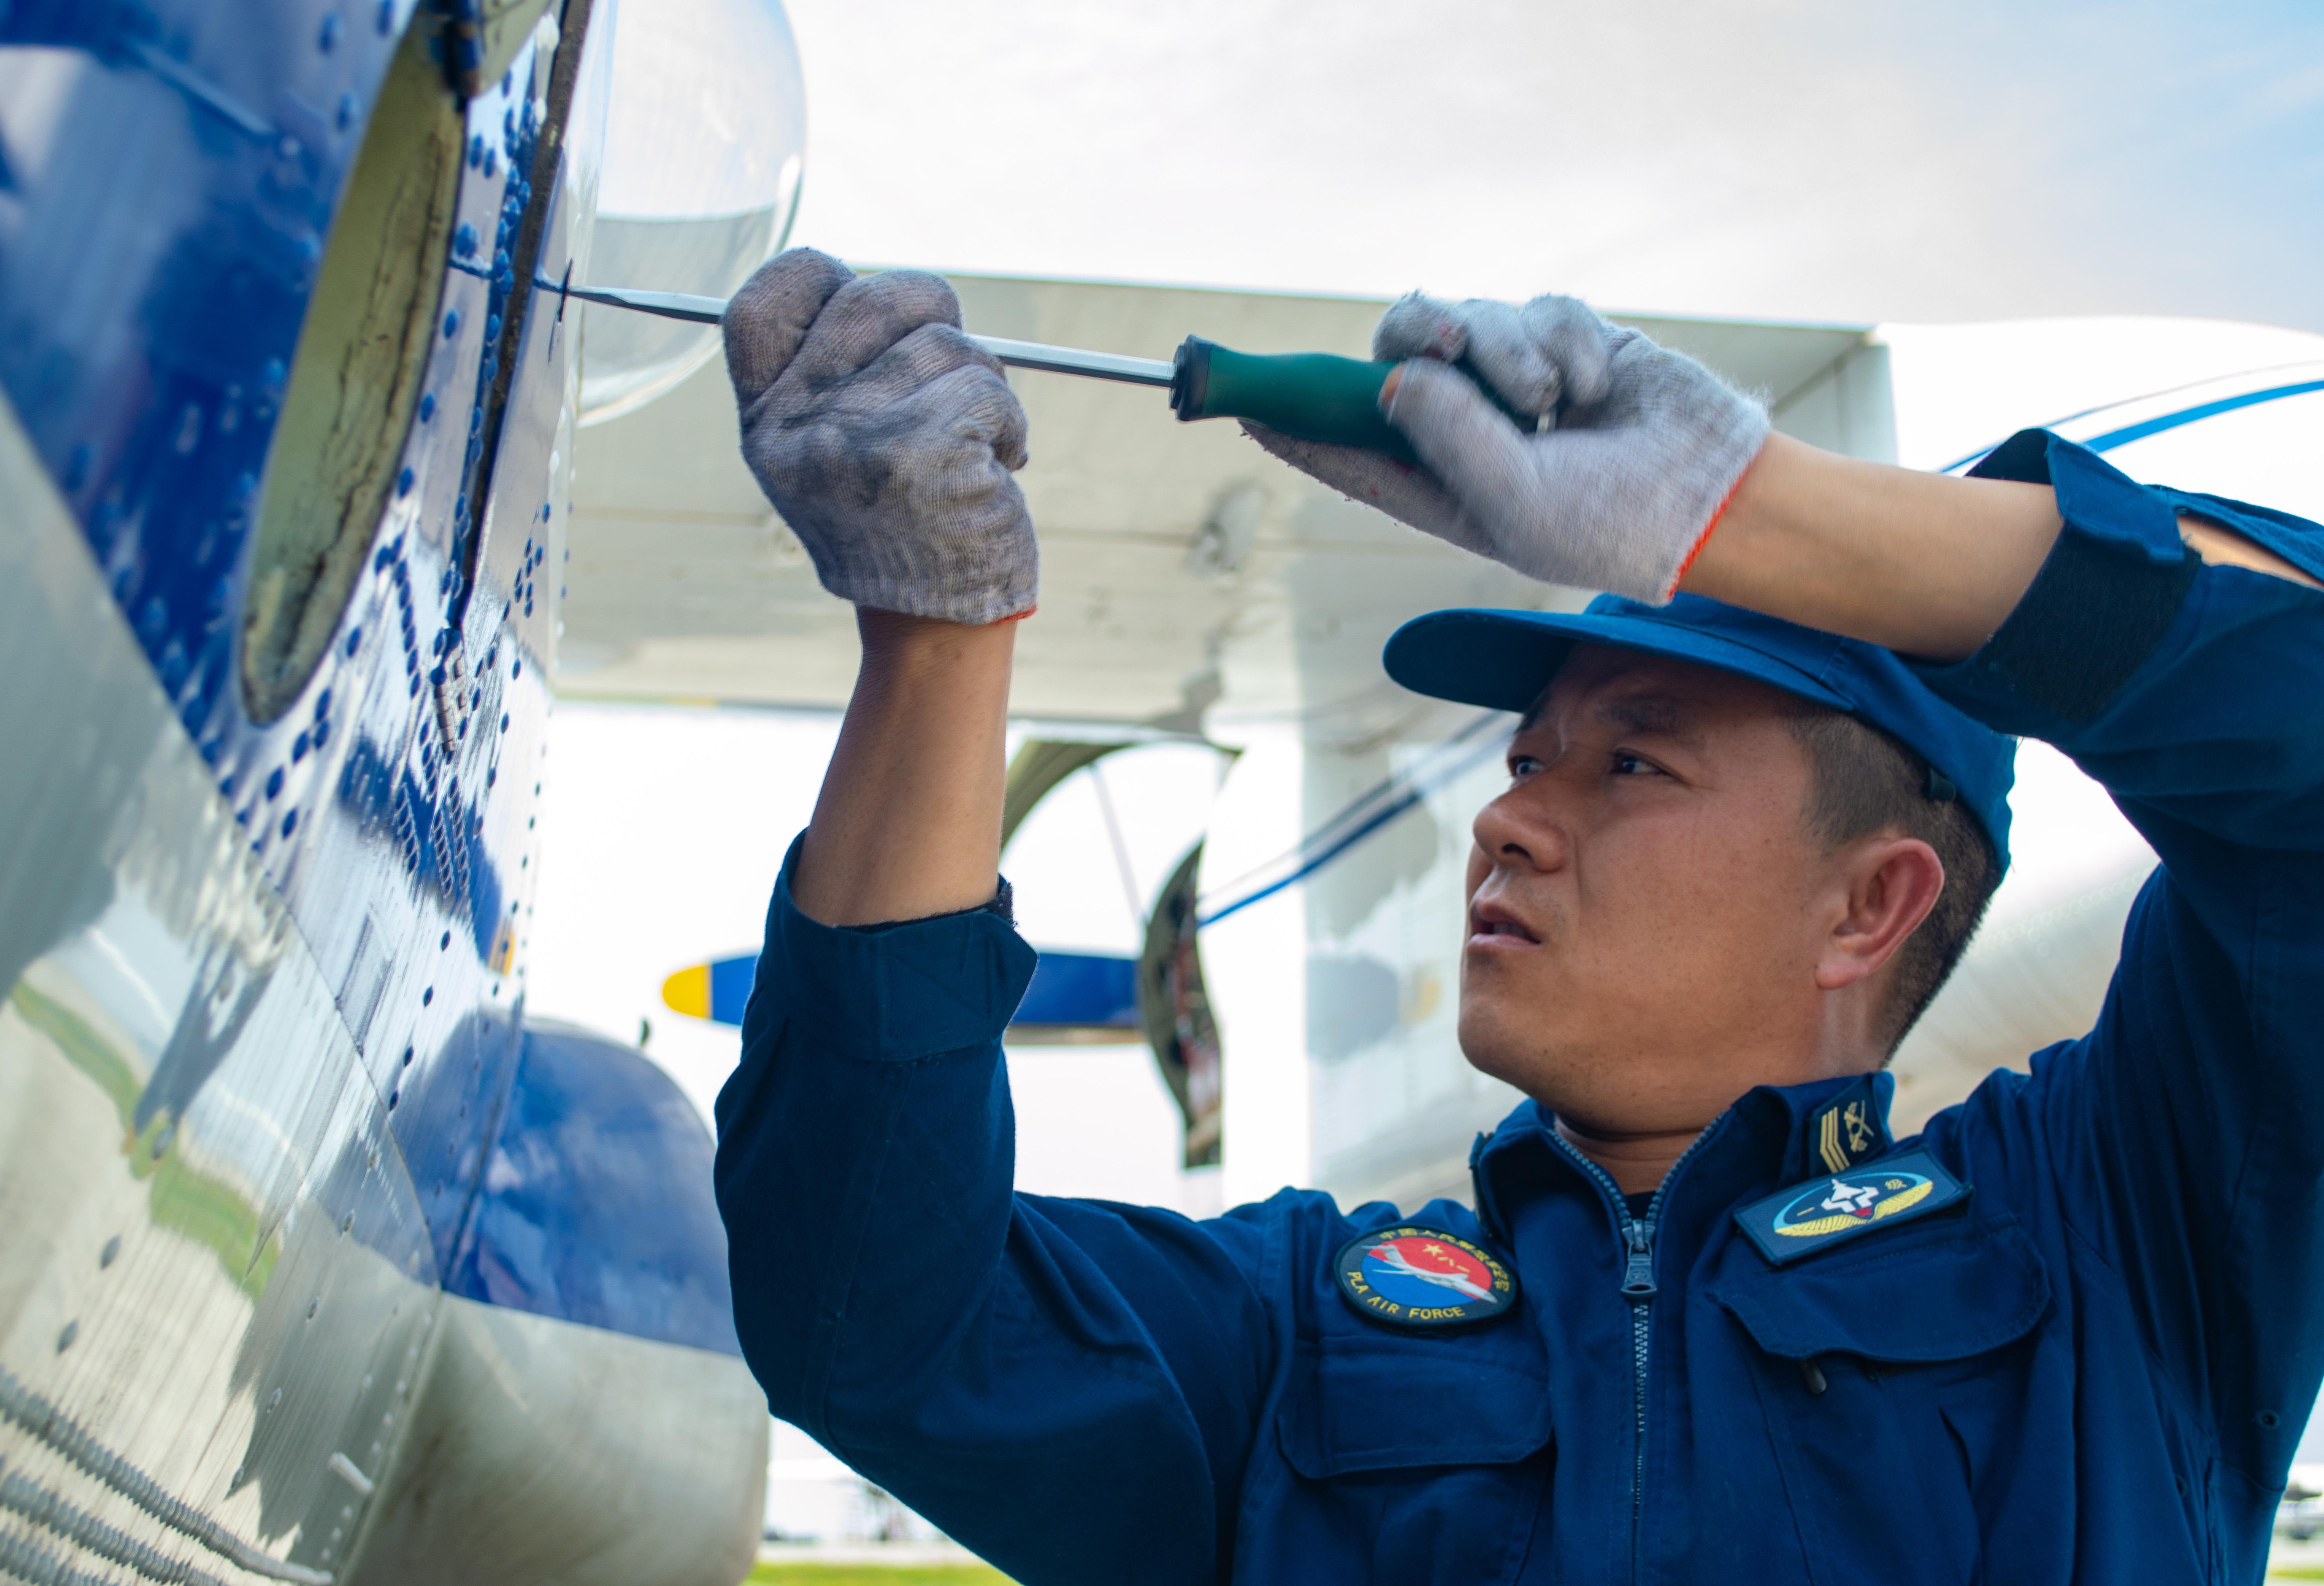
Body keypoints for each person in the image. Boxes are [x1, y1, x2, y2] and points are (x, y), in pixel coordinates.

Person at [710, 248, 2324, 1584]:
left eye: (1630, 760)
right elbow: (869, 1314)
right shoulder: (1298, 1328)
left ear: (1870, 904)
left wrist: (1747, 512)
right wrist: (935, 639)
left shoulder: (2115, 1236)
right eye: (1528, 754)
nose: (1506, 816)